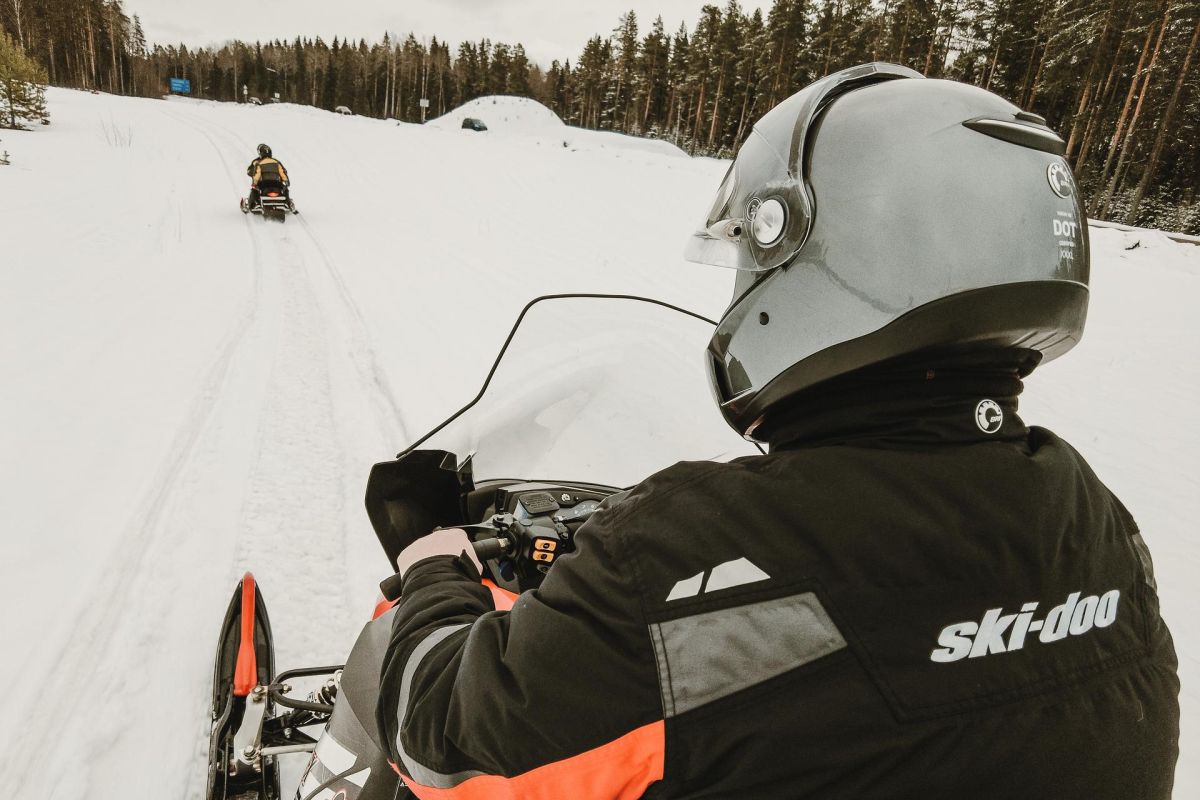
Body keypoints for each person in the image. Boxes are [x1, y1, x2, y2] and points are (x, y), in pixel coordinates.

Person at [374, 63, 1180, 799]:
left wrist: (436, 573)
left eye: (750, 266)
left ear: (827, 255)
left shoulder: (688, 549)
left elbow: (442, 736)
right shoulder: (1096, 522)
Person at [244, 143, 292, 212]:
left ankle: (253, 204)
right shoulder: (276, 162)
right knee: (285, 189)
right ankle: (288, 203)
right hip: (277, 184)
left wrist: (254, 183)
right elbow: (282, 173)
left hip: (264, 184)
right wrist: (286, 181)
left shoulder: (259, 163)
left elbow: (257, 174)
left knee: (254, 189)